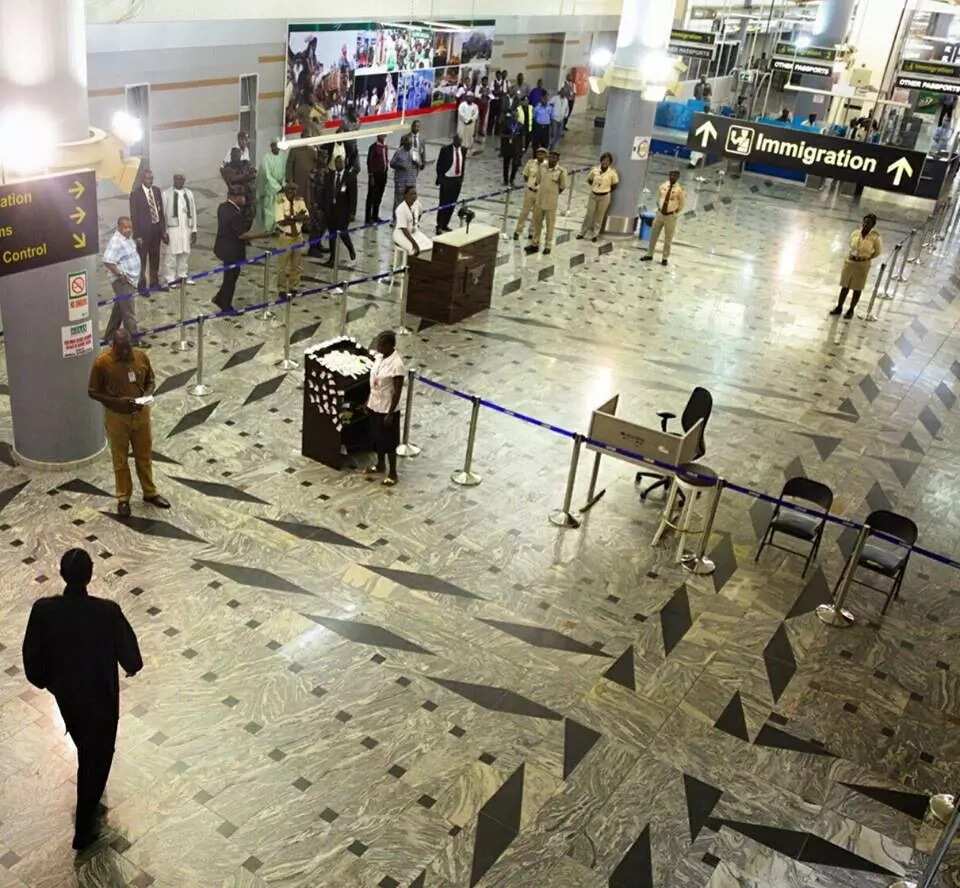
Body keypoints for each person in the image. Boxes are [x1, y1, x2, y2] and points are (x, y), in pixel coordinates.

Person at [22, 548, 143, 851]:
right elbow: (132, 659)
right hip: (102, 699)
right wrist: (128, 667)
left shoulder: (44, 610)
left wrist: (51, 683)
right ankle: (84, 829)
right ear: (90, 575)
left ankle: (89, 804)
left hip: (69, 698)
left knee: (85, 745)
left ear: (62, 574)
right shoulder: (107, 612)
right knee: (97, 758)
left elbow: (32, 663)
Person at [88, 328, 170, 516]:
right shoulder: (102, 363)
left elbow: (151, 380)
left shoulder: (141, 357)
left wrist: (147, 395)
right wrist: (117, 402)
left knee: (144, 455)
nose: (125, 353)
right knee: (120, 459)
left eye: (128, 348)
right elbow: (92, 391)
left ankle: (150, 492)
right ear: (113, 346)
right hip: (117, 417)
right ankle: (123, 497)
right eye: (121, 349)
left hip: (141, 414)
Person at [366, 330, 405, 487]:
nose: (378, 345)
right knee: (377, 438)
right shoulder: (379, 357)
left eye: (381, 343)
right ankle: (380, 464)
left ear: (390, 345)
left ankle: (393, 473)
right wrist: (368, 400)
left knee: (389, 442)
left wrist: (390, 413)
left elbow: (397, 392)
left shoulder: (397, 365)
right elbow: (374, 380)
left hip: (388, 409)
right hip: (375, 404)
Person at [102, 217, 145, 346]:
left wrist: (136, 242)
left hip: (131, 280)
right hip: (123, 282)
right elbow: (107, 260)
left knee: (120, 309)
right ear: (119, 228)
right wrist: (120, 274)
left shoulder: (126, 238)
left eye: (130, 227)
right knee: (129, 312)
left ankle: (109, 336)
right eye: (125, 228)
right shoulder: (116, 241)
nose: (128, 230)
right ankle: (134, 339)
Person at [830, 213, 882, 319]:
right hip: (850, 262)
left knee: (857, 288)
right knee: (845, 286)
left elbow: (877, 252)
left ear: (873, 225)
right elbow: (851, 244)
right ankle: (839, 307)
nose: (866, 224)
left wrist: (866, 257)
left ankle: (851, 309)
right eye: (865, 221)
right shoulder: (855, 233)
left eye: (869, 223)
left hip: (862, 265)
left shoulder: (875, 238)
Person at [213, 190, 255, 312]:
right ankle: (225, 305)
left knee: (229, 276)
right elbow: (241, 235)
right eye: (243, 196)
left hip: (223, 248)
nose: (244, 199)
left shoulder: (223, 207)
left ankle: (220, 298)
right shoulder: (234, 213)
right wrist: (261, 235)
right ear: (235, 197)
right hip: (232, 251)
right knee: (231, 278)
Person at [129, 168, 166, 291]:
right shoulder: (135, 194)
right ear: (142, 179)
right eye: (148, 178)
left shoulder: (156, 191)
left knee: (155, 257)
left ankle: (154, 283)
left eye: (152, 178)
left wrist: (163, 230)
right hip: (143, 233)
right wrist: (137, 235)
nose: (150, 181)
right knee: (142, 260)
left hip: (156, 230)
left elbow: (160, 212)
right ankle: (142, 285)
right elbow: (134, 216)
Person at [641, 169, 685, 267]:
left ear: (678, 177)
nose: (672, 177)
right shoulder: (663, 186)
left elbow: (681, 204)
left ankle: (665, 258)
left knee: (668, 238)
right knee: (653, 235)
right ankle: (649, 254)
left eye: (675, 175)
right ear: (669, 175)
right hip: (660, 214)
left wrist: (674, 212)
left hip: (670, 216)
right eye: (671, 175)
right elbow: (658, 198)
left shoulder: (679, 190)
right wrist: (659, 208)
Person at [528, 150, 568, 256]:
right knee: (537, 223)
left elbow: (562, 187)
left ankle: (548, 245)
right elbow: (538, 180)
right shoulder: (542, 167)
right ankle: (535, 243)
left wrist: (553, 194)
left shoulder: (561, 171)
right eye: (551, 157)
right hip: (540, 200)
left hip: (551, 202)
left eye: (555, 157)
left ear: (558, 159)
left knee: (550, 224)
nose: (552, 159)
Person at [161, 173, 197, 287]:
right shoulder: (166, 193)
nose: (179, 180)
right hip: (172, 229)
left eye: (181, 178)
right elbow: (162, 215)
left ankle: (182, 276)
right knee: (171, 254)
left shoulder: (189, 193)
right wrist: (164, 231)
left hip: (186, 228)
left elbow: (194, 211)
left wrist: (194, 230)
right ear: (173, 179)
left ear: (184, 180)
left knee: (185, 252)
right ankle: (170, 278)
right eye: (177, 178)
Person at [275, 182, 309, 296]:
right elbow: (281, 221)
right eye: (289, 190)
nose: (292, 192)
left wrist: (291, 217)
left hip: (298, 237)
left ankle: (294, 286)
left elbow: (306, 217)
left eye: (294, 190)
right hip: (286, 237)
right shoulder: (280, 201)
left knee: (296, 265)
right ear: (285, 190)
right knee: (282, 266)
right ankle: (282, 289)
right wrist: (297, 217)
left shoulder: (300, 200)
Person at [578, 151, 619, 242]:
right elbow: (589, 180)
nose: (605, 162)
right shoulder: (594, 170)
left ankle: (595, 234)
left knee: (599, 216)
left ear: (610, 162)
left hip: (604, 197)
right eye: (604, 160)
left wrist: (605, 190)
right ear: (601, 160)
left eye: (607, 161)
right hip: (593, 195)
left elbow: (615, 185)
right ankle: (582, 232)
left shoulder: (612, 173)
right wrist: (595, 187)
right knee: (589, 214)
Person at [324, 154, 357, 266]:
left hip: (344, 211)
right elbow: (326, 192)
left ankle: (351, 249)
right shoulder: (330, 175)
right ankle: (332, 258)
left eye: (341, 162)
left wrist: (352, 212)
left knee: (342, 232)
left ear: (344, 163)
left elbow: (353, 196)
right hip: (331, 210)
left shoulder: (350, 176)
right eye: (337, 162)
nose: (339, 164)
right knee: (332, 234)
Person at [254, 139, 287, 235]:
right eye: (274, 146)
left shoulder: (283, 156)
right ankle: (269, 229)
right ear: (271, 146)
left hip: (281, 186)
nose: (276, 148)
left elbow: (285, 171)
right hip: (270, 187)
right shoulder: (266, 158)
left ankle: (278, 226)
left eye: (277, 146)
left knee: (280, 207)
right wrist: (277, 187)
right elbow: (267, 175)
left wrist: (283, 184)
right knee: (270, 208)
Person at [436, 134, 466, 234]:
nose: (460, 142)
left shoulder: (463, 150)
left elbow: (463, 165)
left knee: (452, 204)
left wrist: (461, 178)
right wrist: (441, 179)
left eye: (461, 141)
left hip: (457, 181)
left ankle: (445, 224)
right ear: (454, 140)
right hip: (447, 179)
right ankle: (439, 225)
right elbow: (439, 165)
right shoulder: (445, 150)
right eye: (458, 140)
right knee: (443, 203)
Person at [515, 146, 547, 241]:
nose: (540, 155)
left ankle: (532, 232)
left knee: (536, 214)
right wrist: (530, 184)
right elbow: (525, 175)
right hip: (530, 191)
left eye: (542, 153)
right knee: (524, 212)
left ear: (545, 155)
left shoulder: (547, 166)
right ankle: (518, 230)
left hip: (540, 193)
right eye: (538, 153)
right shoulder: (531, 163)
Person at [221, 147, 256, 225]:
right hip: (235, 196)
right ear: (231, 156)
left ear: (240, 155)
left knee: (249, 214)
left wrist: (242, 177)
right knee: (234, 215)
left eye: (238, 155)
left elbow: (253, 174)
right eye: (234, 155)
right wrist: (245, 176)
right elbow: (232, 179)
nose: (236, 157)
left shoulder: (245, 163)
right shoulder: (228, 167)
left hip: (247, 195)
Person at [393, 185, 432, 256]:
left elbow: (420, 213)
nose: (414, 196)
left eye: (415, 194)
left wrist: (415, 224)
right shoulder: (400, 209)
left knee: (429, 245)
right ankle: (408, 265)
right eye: (411, 194)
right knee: (414, 250)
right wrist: (414, 244)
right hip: (401, 234)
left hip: (413, 232)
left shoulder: (417, 204)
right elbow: (404, 230)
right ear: (405, 196)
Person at [391, 134, 419, 213]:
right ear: (404, 144)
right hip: (401, 181)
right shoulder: (399, 152)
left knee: (411, 201)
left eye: (410, 144)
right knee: (399, 201)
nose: (409, 146)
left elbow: (420, 164)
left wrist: (417, 162)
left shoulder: (414, 151)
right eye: (408, 144)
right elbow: (392, 163)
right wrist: (400, 166)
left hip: (411, 180)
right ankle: (396, 219)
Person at [365, 133, 390, 224]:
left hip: (383, 174)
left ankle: (375, 216)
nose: (383, 137)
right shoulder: (373, 147)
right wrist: (371, 175)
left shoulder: (385, 147)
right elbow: (369, 162)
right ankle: (368, 218)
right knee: (371, 196)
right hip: (375, 175)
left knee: (379, 196)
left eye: (384, 136)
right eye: (382, 135)